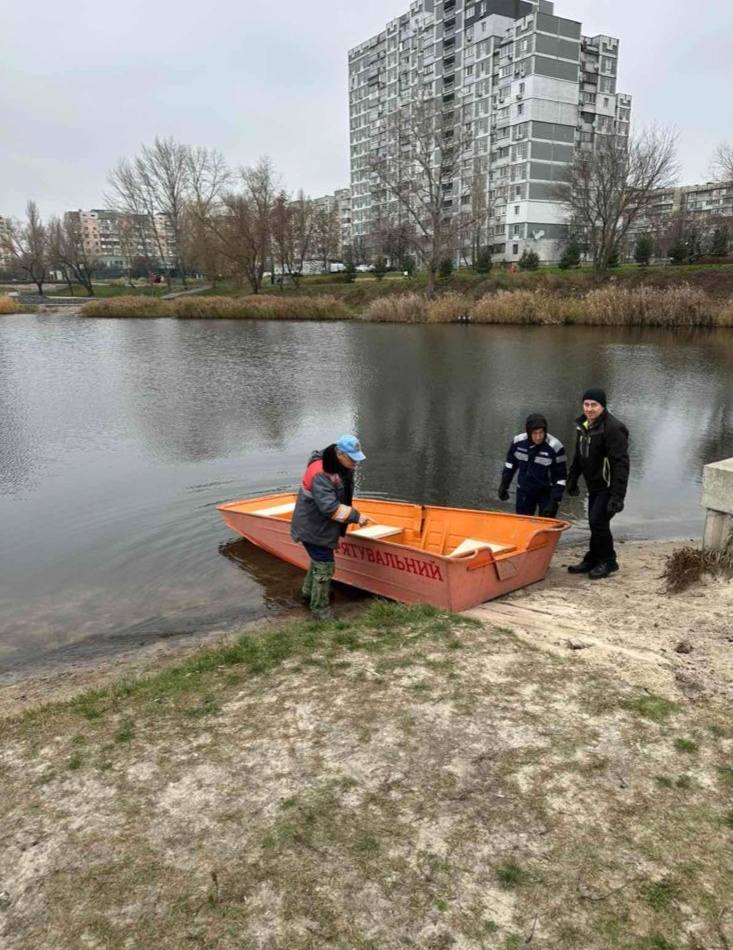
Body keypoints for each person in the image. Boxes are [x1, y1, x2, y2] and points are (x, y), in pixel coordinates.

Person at [290, 434, 370, 619]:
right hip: (313, 528)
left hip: (319, 526)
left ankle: (309, 593)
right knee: (325, 566)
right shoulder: (321, 473)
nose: (355, 463)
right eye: (352, 459)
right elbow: (330, 507)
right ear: (340, 454)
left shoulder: (339, 465)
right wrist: (356, 517)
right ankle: (320, 610)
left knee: (318, 561)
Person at [566, 388, 629, 580]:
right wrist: (573, 478)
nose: (589, 409)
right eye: (586, 404)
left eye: (594, 405)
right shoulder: (584, 425)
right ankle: (593, 558)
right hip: (593, 484)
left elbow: (621, 465)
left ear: (603, 406)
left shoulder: (613, 429)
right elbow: (579, 454)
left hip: (608, 486)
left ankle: (609, 561)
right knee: (595, 523)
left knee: (598, 522)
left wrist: (618, 497)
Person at [498, 413, 567, 517]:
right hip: (524, 490)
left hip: (546, 493)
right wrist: (504, 485)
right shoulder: (518, 442)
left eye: (541, 433)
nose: (538, 437)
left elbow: (561, 478)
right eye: (534, 433)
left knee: (546, 524)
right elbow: (510, 466)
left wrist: (554, 501)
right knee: (522, 524)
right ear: (528, 432)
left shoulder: (556, 447)